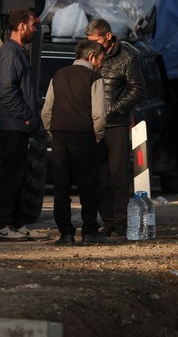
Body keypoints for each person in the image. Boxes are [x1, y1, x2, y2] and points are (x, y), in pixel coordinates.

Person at [42, 39, 107, 246]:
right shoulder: (94, 77)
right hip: (84, 136)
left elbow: (46, 111)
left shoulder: (58, 75)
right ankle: (89, 231)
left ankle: (66, 233)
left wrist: (52, 132)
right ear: (91, 57)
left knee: (61, 187)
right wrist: (97, 136)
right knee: (88, 186)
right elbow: (99, 114)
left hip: (60, 136)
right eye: (100, 59)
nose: (101, 64)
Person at [85, 19, 143, 237]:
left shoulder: (128, 56)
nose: (94, 46)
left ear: (108, 36)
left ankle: (121, 222)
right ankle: (108, 220)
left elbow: (138, 90)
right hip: (93, 124)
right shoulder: (89, 55)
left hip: (116, 123)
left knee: (118, 175)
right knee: (99, 177)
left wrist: (111, 110)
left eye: (96, 41)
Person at [0, 8, 45, 241]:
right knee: (10, 177)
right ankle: (4, 225)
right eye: (32, 25)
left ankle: (16, 223)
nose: (35, 29)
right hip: (12, 125)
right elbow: (6, 90)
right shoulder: (9, 53)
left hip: (19, 125)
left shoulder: (19, 52)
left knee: (19, 176)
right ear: (22, 26)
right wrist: (24, 114)